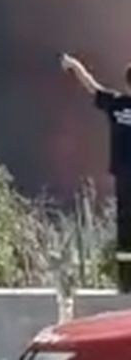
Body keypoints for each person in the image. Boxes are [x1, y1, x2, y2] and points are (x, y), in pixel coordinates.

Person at [60, 53, 131, 292]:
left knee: (125, 229)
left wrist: (74, 65)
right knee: (125, 229)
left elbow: (91, 86)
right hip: (124, 174)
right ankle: (126, 283)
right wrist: (74, 66)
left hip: (123, 174)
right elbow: (92, 86)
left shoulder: (116, 104)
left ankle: (125, 282)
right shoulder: (116, 103)